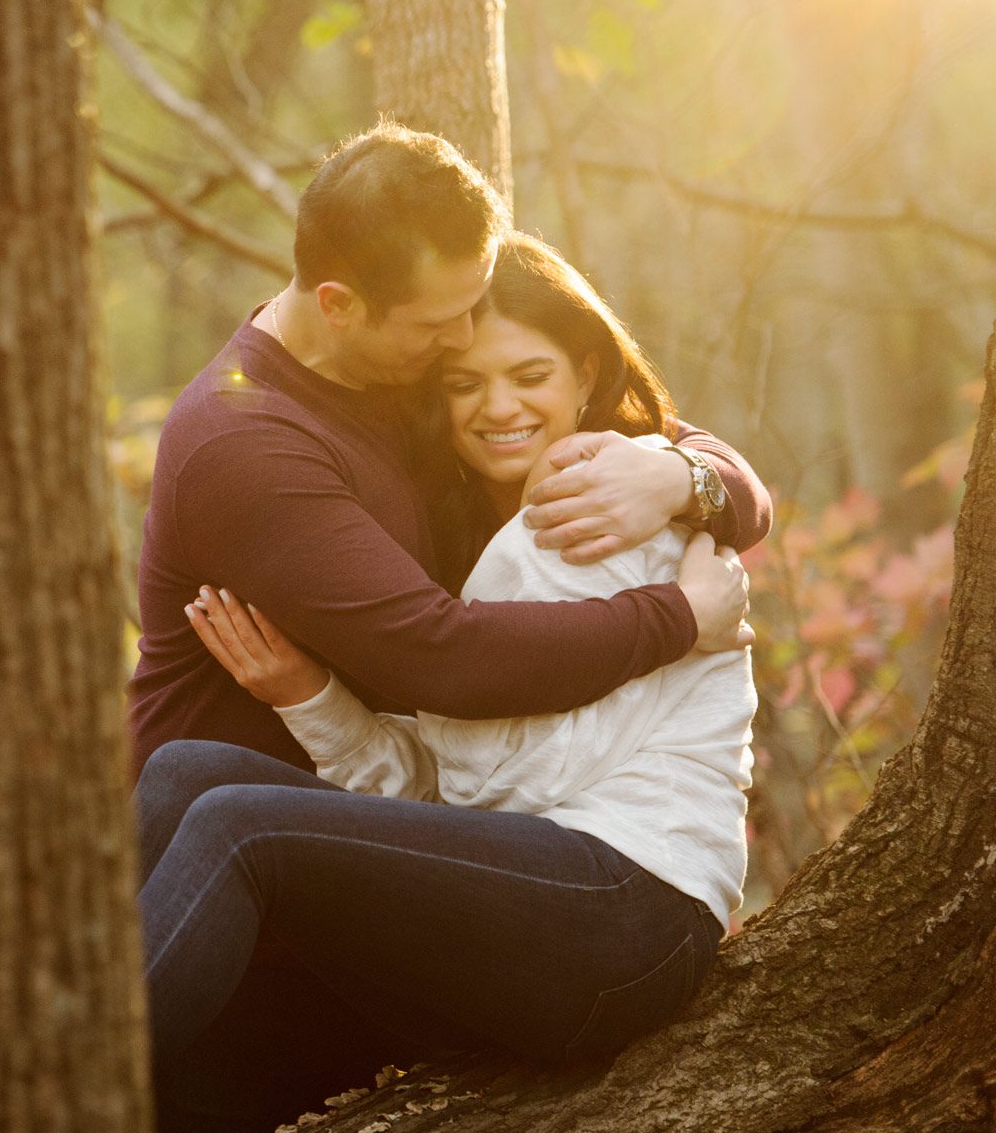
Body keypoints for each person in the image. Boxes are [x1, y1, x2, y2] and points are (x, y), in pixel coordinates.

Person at [123, 122, 770, 1133]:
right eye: (452, 353)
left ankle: (30, 1106)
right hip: (384, 881)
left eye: (505, 354)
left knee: (232, 821)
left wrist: (694, 477)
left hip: (615, 902)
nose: (466, 353)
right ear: (339, 306)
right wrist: (314, 700)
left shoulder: (606, 496)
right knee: (185, 779)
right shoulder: (251, 436)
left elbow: (479, 760)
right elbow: (451, 672)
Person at [125, 121, 767, 786]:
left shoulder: (407, 357)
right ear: (338, 306)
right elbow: (444, 660)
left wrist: (678, 476)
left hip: (406, 804)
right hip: (239, 809)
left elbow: (724, 477)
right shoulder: (243, 441)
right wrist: (685, 615)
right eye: (439, 324)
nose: (463, 337)